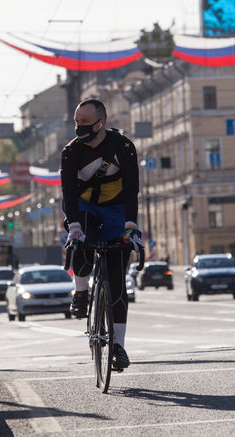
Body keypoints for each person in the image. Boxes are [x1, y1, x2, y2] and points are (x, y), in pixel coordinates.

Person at [60, 98, 141, 370]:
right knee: (82, 240)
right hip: (85, 208)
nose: (79, 127)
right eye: (76, 122)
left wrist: (131, 225)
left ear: (101, 123)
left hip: (117, 210)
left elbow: (132, 191)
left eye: (85, 122)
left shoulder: (124, 148)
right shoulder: (70, 153)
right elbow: (68, 195)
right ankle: (81, 292)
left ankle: (118, 346)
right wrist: (73, 226)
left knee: (118, 277)